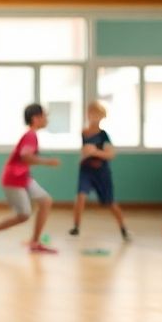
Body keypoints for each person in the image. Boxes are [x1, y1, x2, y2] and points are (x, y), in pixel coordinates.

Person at [0, 103, 59, 254]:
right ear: (36, 118)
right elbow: (26, 156)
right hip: (14, 179)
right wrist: (48, 162)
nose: (47, 119)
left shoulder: (31, 134)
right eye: (44, 116)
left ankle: (34, 241)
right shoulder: (30, 135)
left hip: (23, 178)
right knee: (24, 215)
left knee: (45, 201)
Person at [69, 101, 129, 241]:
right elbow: (84, 150)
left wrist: (95, 152)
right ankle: (76, 227)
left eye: (97, 115)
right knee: (80, 196)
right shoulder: (84, 133)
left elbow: (110, 154)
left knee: (109, 202)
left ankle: (123, 228)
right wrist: (84, 155)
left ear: (102, 117)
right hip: (86, 171)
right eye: (91, 114)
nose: (94, 117)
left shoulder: (104, 136)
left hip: (101, 172)